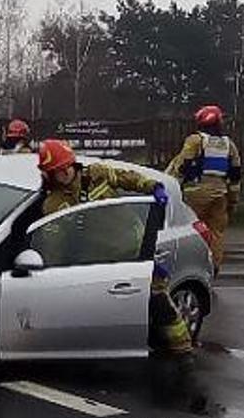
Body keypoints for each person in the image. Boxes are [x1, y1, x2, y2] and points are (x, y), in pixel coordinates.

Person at [36, 139, 193, 357]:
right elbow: (55, 246)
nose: (62, 175)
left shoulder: (97, 174)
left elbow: (126, 178)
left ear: (72, 164)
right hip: (103, 261)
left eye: (65, 169)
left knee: (158, 301)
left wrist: (152, 187)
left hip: (135, 247)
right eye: (55, 172)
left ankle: (182, 350)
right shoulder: (54, 204)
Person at [165, 105, 242, 268]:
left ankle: (187, 266)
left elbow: (180, 166)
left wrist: (168, 187)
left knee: (189, 231)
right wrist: (233, 202)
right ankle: (213, 267)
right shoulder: (230, 145)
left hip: (195, 195)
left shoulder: (196, 141)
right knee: (216, 234)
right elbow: (235, 177)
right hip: (220, 196)